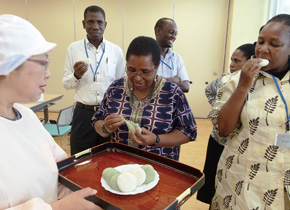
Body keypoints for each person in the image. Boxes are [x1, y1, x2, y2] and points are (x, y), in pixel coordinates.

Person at [0, 14, 102, 210]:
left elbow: (61, 171)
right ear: (8, 65)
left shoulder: (26, 115)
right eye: (43, 63)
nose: (48, 73)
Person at [209, 14, 290, 209]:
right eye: (260, 42)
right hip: (241, 177)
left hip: (281, 181)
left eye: (274, 44)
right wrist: (243, 86)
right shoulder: (235, 80)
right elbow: (223, 129)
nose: (263, 49)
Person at [91, 36, 197, 161]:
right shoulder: (115, 88)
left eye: (145, 72)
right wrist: (106, 127)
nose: (137, 78)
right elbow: (97, 121)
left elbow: (188, 132)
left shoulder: (171, 93)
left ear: (157, 66)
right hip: (120, 164)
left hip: (159, 166)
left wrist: (156, 139)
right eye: (131, 70)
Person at [196, 43, 255, 206]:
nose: (232, 64)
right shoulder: (225, 79)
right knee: (213, 177)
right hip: (218, 140)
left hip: (236, 144)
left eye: (237, 61)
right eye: (231, 60)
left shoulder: (256, 85)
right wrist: (220, 108)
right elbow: (209, 90)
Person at [62, 5, 125, 155]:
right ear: (84, 24)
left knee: (108, 156)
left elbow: (122, 85)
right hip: (83, 114)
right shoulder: (73, 48)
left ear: (105, 24)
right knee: (80, 157)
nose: (95, 26)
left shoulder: (116, 51)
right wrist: (76, 76)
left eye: (99, 22)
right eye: (90, 22)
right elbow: (66, 83)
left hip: (108, 113)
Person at [154, 18, 190, 93]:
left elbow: (186, 86)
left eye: (175, 34)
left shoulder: (177, 58)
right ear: (158, 31)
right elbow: (149, 85)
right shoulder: (146, 57)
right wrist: (174, 80)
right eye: (171, 32)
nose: (174, 37)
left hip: (172, 104)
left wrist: (160, 81)